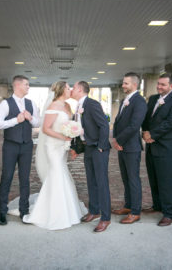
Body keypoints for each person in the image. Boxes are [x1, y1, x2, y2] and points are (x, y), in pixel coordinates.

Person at [20, 81, 87, 230]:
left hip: (63, 147)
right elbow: (45, 129)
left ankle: (67, 209)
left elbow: (70, 125)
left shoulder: (68, 106)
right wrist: (64, 137)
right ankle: (54, 214)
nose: (71, 90)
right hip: (53, 146)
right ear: (62, 90)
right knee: (56, 174)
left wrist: (72, 135)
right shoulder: (53, 106)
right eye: (68, 87)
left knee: (62, 173)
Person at [0, 75, 40, 225]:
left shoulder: (31, 103)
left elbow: (37, 122)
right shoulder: (6, 104)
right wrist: (16, 120)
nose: (28, 87)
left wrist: (30, 118)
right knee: (6, 177)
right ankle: (2, 211)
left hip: (27, 145)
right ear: (17, 85)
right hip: (11, 145)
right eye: (26, 84)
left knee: (25, 179)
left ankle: (24, 211)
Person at [142, 73, 172, 226]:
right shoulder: (153, 99)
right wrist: (145, 132)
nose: (159, 87)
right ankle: (157, 206)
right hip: (151, 146)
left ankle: (169, 213)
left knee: (167, 181)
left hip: (168, 149)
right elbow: (147, 118)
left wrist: (153, 134)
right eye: (158, 84)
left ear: (171, 86)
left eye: (163, 85)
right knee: (154, 179)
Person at [70, 81, 112, 232]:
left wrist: (101, 146)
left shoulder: (92, 104)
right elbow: (80, 130)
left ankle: (105, 218)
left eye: (73, 87)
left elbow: (104, 125)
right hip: (88, 148)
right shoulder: (77, 106)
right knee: (91, 181)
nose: (71, 89)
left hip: (97, 149)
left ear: (80, 89)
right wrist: (76, 147)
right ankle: (94, 211)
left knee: (101, 183)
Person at [112, 72, 147, 224]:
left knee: (133, 179)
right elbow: (119, 122)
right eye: (123, 83)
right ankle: (128, 205)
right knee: (125, 179)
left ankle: (135, 211)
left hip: (131, 146)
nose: (123, 85)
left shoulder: (139, 101)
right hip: (122, 146)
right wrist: (116, 139)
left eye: (126, 83)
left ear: (134, 84)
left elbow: (134, 126)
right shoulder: (125, 100)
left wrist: (118, 140)